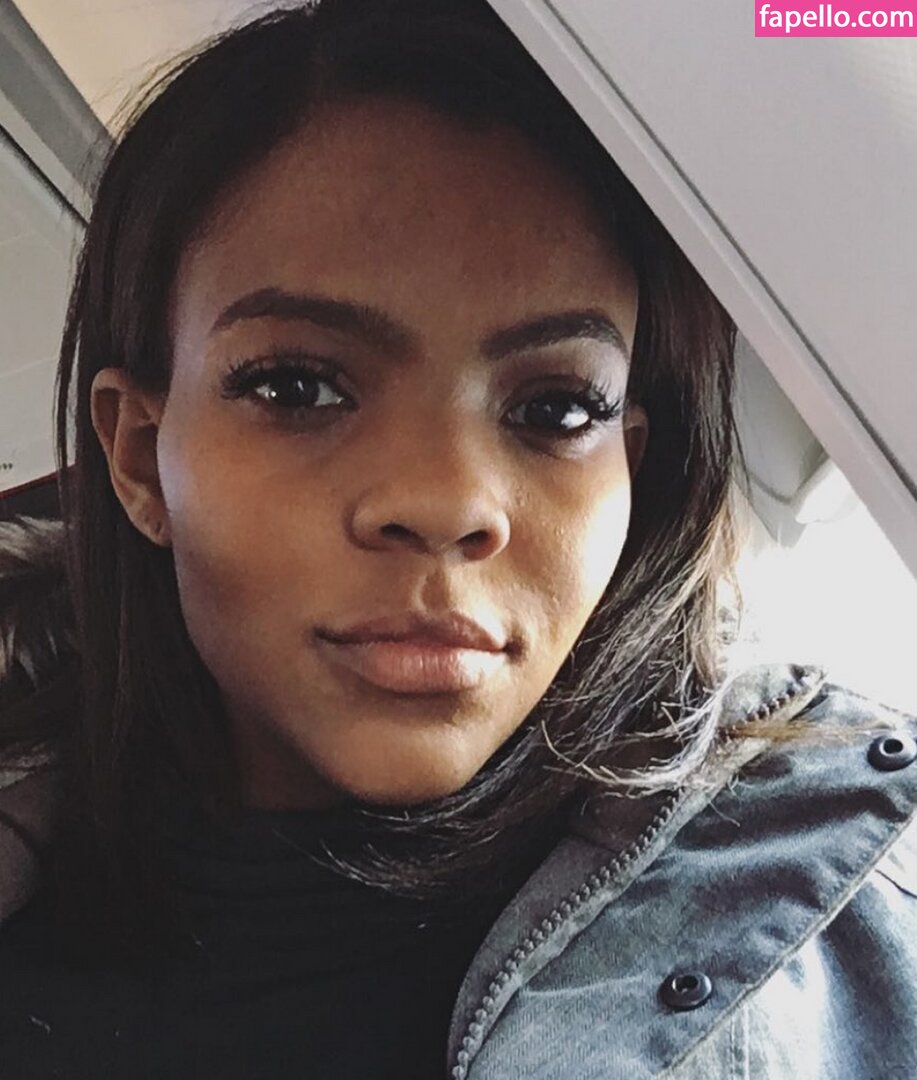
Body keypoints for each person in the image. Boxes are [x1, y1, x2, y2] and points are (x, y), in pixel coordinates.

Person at [0, 0, 915, 1077]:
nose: (444, 503)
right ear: (140, 456)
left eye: (556, 409)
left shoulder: (838, 915)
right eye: (298, 387)